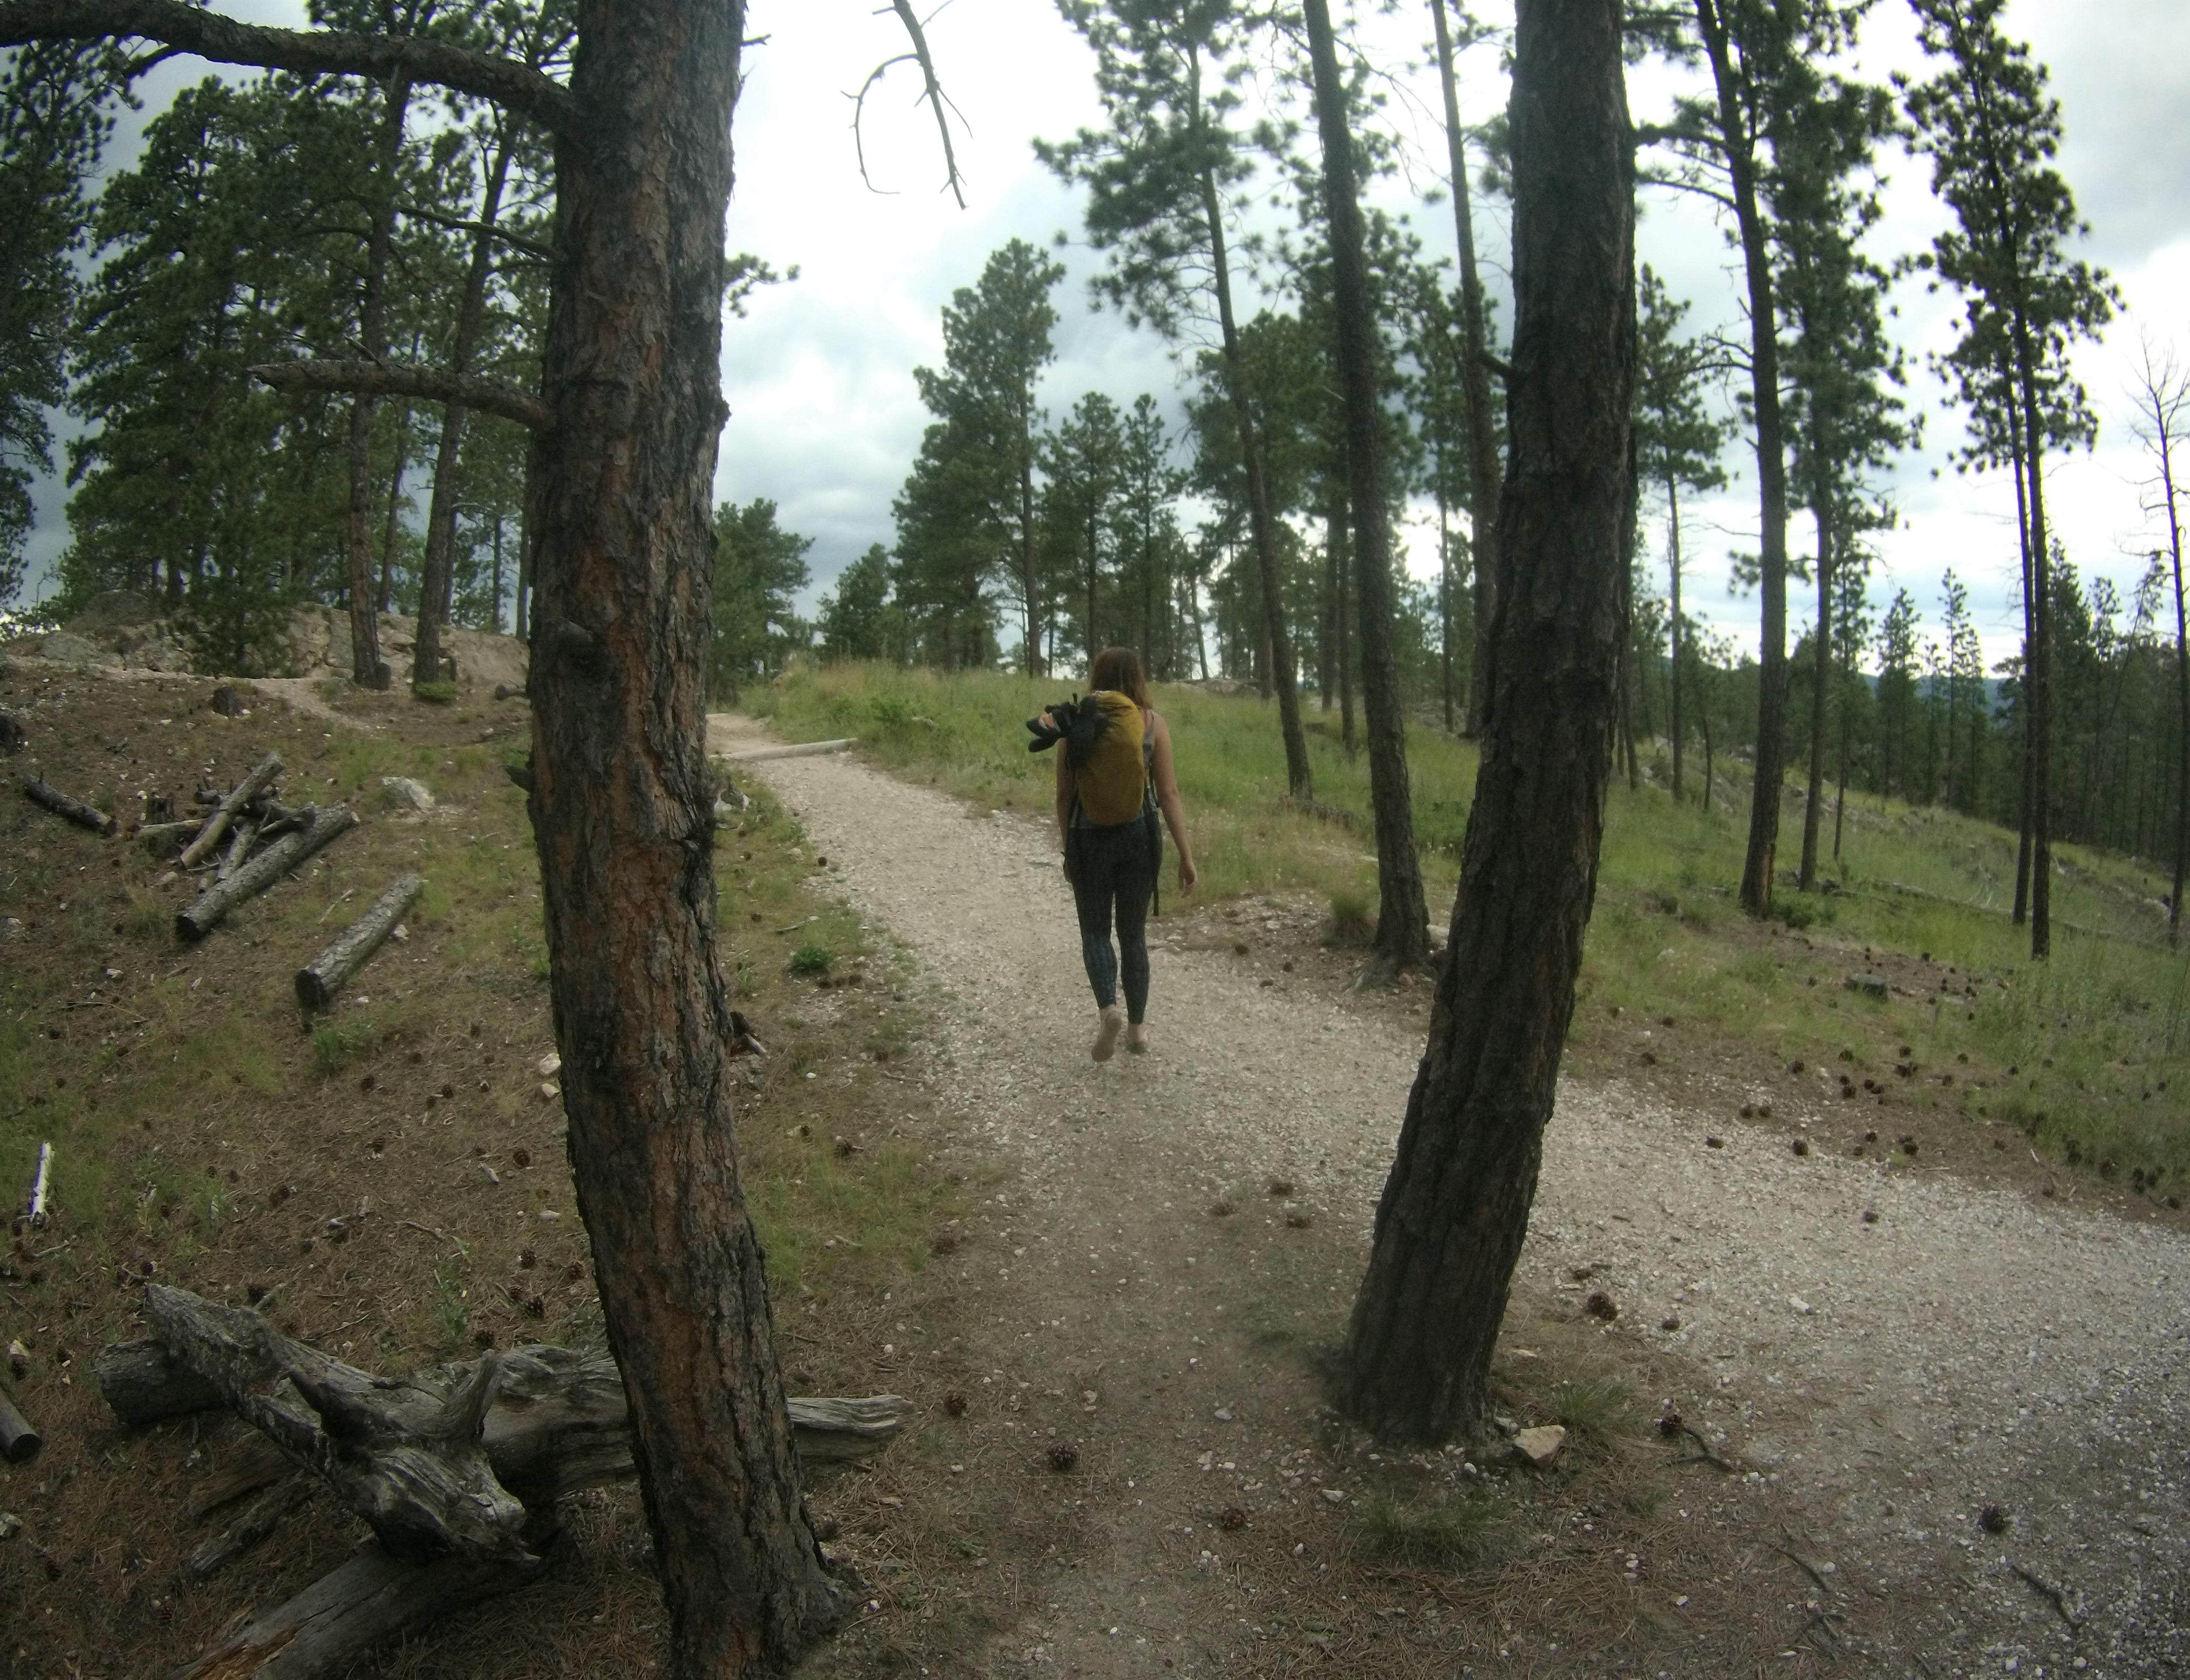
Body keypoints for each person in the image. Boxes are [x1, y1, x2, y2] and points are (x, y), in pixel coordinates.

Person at [1053, 647, 1197, 1060]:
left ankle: (1108, 1011)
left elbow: (1065, 794)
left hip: (1088, 836)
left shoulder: (1074, 723)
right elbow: (1167, 793)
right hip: (1139, 838)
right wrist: (1186, 856)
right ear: (1137, 678)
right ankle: (1137, 1031)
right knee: (1133, 934)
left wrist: (1069, 849)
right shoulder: (1152, 724)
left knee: (1095, 932)